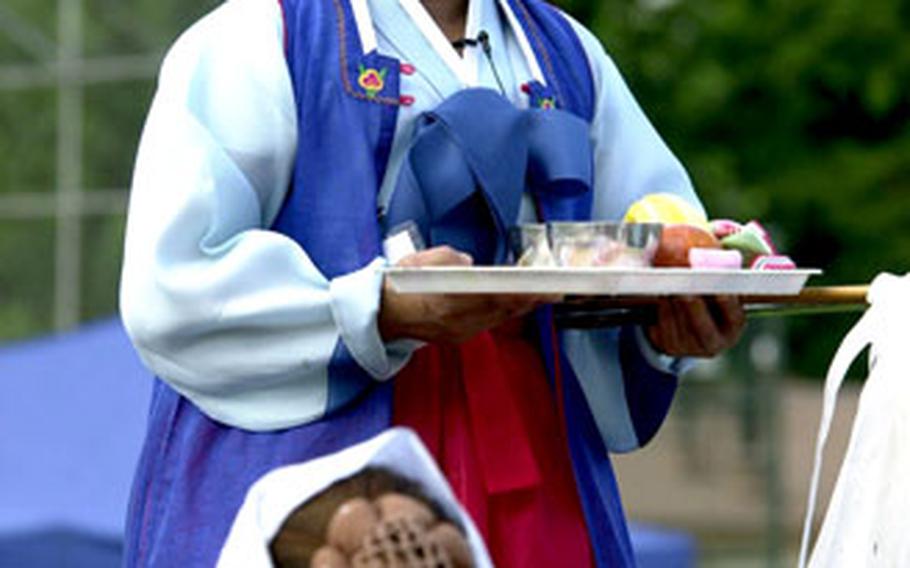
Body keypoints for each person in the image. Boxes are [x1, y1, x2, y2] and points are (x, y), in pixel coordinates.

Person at [119, 0, 745, 566]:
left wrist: (669, 326)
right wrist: (376, 308)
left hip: (539, 471)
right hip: (320, 484)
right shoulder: (258, 35)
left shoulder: (566, 54)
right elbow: (172, 283)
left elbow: (652, 239)